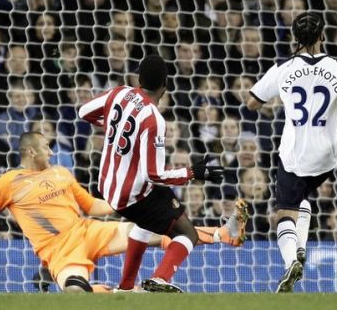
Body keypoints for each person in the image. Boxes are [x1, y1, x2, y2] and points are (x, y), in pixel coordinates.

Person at [0, 132, 248, 293]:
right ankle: (120, 295)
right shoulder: (7, 182)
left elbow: (93, 206)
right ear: (31, 151)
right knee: (76, 292)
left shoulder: (61, 172)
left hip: (89, 230)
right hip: (58, 251)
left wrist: (130, 200)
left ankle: (225, 233)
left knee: (157, 228)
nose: (52, 152)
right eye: (47, 148)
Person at [78, 54, 243, 293]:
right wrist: (192, 173)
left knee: (146, 224)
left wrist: (115, 125)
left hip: (106, 185)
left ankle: (125, 288)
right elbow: (154, 174)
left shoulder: (120, 93)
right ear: (165, 85)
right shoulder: (153, 119)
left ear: (138, 78)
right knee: (186, 233)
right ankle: (160, 278)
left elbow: (84, 112)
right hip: (132, 195)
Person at [247, 12, 337, 293]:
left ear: (294, 38)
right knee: (302, 199)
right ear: (322, 36)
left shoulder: (283, 68)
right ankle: (300, 248)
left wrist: (281, 97)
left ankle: (292, 261)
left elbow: (252, 102)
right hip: (327, 158)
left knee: (284, 215)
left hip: (294, 157)